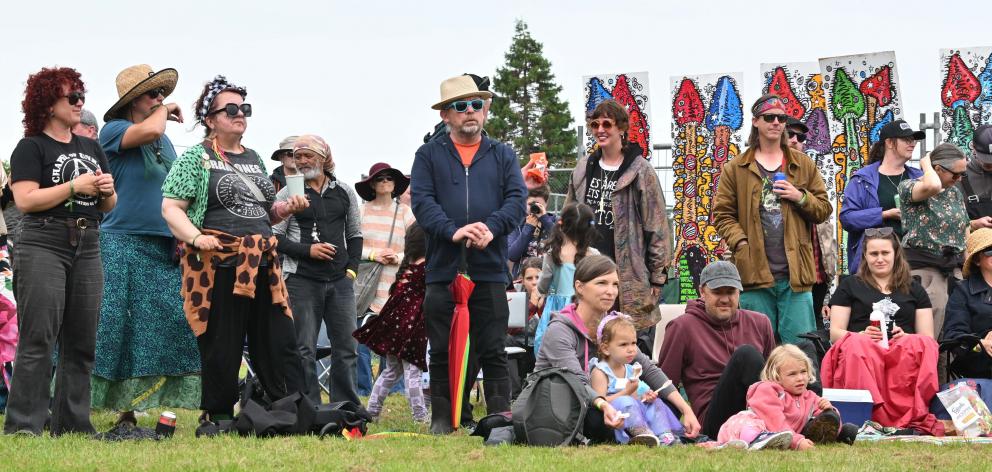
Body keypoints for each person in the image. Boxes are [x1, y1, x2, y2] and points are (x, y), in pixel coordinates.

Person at [160, 75, 308, 429]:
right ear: (210, 119)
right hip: (217, 262)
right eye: (230, 109)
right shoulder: (196, 158)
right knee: (221, 343)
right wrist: (196, 238)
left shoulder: (255, 158)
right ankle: (220, 413)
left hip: (260, 261)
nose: (239, 114)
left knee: (277, 338)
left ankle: (281, 408)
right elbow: (171, 208)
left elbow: (263, 213)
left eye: (244, 108)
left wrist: (284, 211)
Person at [3, 67, 117, 436]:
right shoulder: (31, 146)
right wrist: (74, 186)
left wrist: (105, 190)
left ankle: (73, 424)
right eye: (73, 97)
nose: (80, 103)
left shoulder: (91, 146)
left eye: (81, 96)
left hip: (88, 242)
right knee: (39, 337)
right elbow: (25, 200)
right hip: (43, 241)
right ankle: (23, 425)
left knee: (82, 339)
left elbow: (108, 206)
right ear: (48, 103)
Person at [411, 74, 526, 434]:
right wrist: (453, 231)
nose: (471, 112)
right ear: (446, 115)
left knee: (493, 347)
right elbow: (422, 202)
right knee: (441, 349)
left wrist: (490, 228)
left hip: (489, 268)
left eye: (477, 104)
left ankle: (499, 420)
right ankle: (443, 420)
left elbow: (517, 202)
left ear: (486, 109)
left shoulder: (504, 154)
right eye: (461, 106)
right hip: (443, 269)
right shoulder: (428, 155)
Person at [93, 64, 200, 424]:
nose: (160, 99)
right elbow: (152, 126)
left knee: (166, 323)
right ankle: (117, 411)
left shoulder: (163, 139)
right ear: (132, 101)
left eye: (162, 95)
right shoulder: (114, 130)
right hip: (121, 240)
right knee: (118, 327)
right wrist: (164, 111)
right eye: (153, 94)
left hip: (162, 245)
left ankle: (151, 404)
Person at [534, 255, 700, 443]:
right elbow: (577, 383)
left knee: (665, 401)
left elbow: (648, 369)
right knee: (604, 414)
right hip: (570, 407)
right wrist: (606, 405)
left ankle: (656, 435)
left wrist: (687, 410)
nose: (611, 291)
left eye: (615, 284)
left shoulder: (611, 325)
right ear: (579, 287)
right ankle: (647, 433)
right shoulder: (560, 330)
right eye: (602, 283)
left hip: (610, 402)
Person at [712, 93, 831, 344]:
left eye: (781, 118)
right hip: (753, 274)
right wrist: (741, 243)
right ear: (756, 122)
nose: (776, 122)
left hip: (796, 276)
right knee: (756, 351)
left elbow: (823, 209)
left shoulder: (803, 164)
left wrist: (800, 197)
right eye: (769, 117)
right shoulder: (736, 167)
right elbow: (722, 215)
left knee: (800, 350)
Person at [822, 228, 943, 435]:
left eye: (885, 253)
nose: (880, 259)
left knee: (922, 344)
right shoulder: (849, 285)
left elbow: (927, 337)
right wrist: (860, 335)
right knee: (856, 344)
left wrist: (907, 337)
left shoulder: (914, 288)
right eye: (874, 254)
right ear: (865, 256)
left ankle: (910, 417)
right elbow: (835, 333)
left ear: (895, 254)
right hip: (863, 349)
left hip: (901, 349)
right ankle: (866, 415)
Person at [272, 134, 363, 406]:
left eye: (307, 155)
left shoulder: (344, 191)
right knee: (304, 349)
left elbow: (355, 234)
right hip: (302, 280)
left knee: (347, 347)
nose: (300, 161)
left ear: (323, 158)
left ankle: (346, 406)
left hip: (340, 281)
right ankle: (308, 407)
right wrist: (307, 251)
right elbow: (274, 237)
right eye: (297, 156)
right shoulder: (288, 193)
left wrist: (352, 271)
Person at [564, 99, 670, 329]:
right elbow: (568, 219)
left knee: (626, 340)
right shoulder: (583, 168)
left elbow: (658, 227)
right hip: (588, 270)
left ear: (621, 128)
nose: (600, 130)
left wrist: (657, 277)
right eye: (595, 124)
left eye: (607, 124)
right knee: (587, 337)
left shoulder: (640, 170)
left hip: (628, 275)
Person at [657, 261, 776, 439]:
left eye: (730, 292)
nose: (725, 299)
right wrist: (665, 431)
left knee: (803, 351)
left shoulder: (760, 322)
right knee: (746, 355)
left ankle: (811, 417)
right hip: (715, 420)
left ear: (739, 292)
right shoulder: (682, 327)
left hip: (756, 409)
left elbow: (772, 376)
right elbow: (666, 384)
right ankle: (778, 426)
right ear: (702, 292)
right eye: (717, 292)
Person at [898, 144, 969, 364]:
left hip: (953, 269)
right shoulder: (910, 187)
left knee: (952, 335)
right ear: (937, 169)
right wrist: (925, 163)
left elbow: (963, 227)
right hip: (925, 270)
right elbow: (931, 185)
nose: (959, 179)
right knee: (928, 336)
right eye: (955, 174)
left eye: (962, 174)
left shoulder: (954, 193)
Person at [353, 224, 428, 423]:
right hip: (411, 331)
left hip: (394, 330)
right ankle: (420, 417)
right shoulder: (425, 270)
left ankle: (372, 411)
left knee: (391, 371)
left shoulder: (407, 270)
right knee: (413, 373)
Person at [353, 162, 414, 396]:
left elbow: (417, 248)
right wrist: (373, 254)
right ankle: (362, 389)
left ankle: (394, 390)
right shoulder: (362, 211)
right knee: (360, 341)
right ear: (372, 184)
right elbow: (351, 244)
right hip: (365, 285)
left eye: (389, 178)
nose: (385, 182)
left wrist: (397, 257)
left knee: (394, 342)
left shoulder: (405, 212)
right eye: (380, 179)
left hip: (396, 284)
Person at [591, 314, 697, 447]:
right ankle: (642, 434)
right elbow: (599, 401)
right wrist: (626, 392)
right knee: (625, 401)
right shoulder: (601, 372)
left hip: (633, 412)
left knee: (655, 403)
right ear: (606, 348)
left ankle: (664, 435)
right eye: (623, 344)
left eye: (634, 343)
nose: (631, 349)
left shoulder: (631, 370)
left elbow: (636, 397)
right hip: (614, 418)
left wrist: (646, 397)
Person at [717, 344, 842, 451]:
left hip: (781, 434)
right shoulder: (767, 390)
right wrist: (797, 442)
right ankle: (754, 439)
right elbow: (774, 420)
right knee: (750, 425)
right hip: (742, 427)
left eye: (803, 372)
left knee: (828, 419)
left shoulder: (810, 397)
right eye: (792, 374)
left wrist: (830, 410)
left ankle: (843, 434)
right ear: (776, 376)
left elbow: (827, 420)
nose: (800, 378)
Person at [840, 119, 925, 274]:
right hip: (876, 266)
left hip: (914, 263)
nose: (912, 143)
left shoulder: (920, 177)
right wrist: (884, 214)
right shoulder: (862, 179)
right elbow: (847, 218)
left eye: (913, 140)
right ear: (890, 143)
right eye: (906, 139)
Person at [787, 117, 837, 324]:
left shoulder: (813, 174)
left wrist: (829, 282)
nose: (795, 140)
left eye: (801, 137)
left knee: (810, 336)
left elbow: (825, 229)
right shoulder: (762, 175)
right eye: (789, 134)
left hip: (816, 275)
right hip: (784, 275)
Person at [533, 202, 598, 353]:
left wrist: (541, 292)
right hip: (584, 307)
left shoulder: (554, 253)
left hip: (558, 309)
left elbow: (543, 284)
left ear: (561, 225)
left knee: (554, 345)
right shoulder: (593, 255)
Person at [942, 228, 992, 379]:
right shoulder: (963, 291)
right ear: (977, 260)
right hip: (980, 365)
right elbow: (954, 335)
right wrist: (981, 344)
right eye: (989, 250)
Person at [507, 256, 543, 397]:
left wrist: (541, 305)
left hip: (541, 347)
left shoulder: (552, 294)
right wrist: (532, 305)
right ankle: (515, 395)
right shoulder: (513, 292)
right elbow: (509, 327)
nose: (534, 282)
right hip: (519, 346)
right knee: (504, 339)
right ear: (522, 279)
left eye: (538, 277)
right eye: (529, 278)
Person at [507, 185, 555, 279]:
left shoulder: (554, 222)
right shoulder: (517, 224)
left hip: (549, 279)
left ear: (546, 204)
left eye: (538, 205)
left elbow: (563, 242)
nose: (534, 208)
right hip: (523, 279)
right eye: (531, 204)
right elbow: (512, 255)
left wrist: (545, 220)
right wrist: (528, 228)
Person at [958, 126, 992, 230]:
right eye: (987, 160)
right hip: (973, 243)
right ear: (973, 147)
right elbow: (945, 221)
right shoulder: (958, 177)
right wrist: (972, 224)